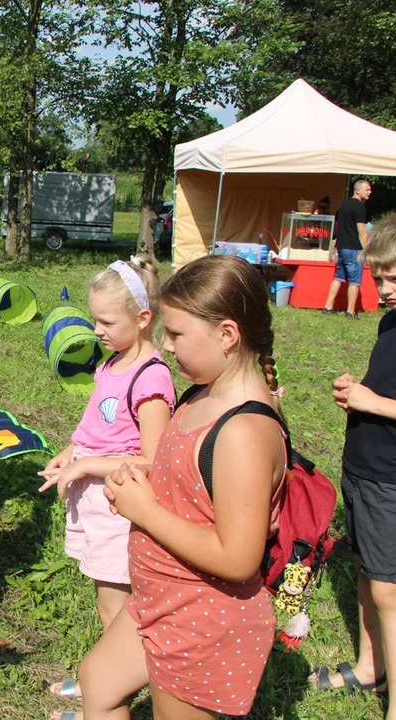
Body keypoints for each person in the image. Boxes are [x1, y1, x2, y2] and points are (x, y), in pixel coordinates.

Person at [76, 255, 288, 720]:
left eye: (175, 334)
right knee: (98, 681)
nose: (166, 347)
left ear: (227, 335)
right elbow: (186, 482)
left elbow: (238, 558)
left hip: (201, 619)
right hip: (161, 598)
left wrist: (144, 510)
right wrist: (140, 480)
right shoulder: (201, 393)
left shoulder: (243, 433)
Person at [38, 256, 174, 711]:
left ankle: (113, 689)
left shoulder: (151, 377)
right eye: (93, 318)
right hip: (96, 501)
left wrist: (87, 466)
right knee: (107, 603)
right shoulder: (112, 363)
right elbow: (95, 426)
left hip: (119, 505)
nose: (96, 329)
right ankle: (106, 679)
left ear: (142, 319)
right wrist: (71, 453)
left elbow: (154, 460)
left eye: (106, 321)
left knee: (119, 612)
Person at [317, 214, 396, 719]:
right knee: (366, 572)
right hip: (362, 469)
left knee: (390, 590)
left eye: (395, 279)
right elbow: (390, 388)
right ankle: (370, 669)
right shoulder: (392, 321)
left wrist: (372, 403)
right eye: (377, 277)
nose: (382, 289)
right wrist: (355, 392)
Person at [323, 179, 372, 319]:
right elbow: (361, 231)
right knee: (355, 282)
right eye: (367, 189)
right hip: (354, 248)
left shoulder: (344, 205)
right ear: (357, 190)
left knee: (338, 278)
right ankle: (350, 312)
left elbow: (338, 226)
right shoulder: (359, 207)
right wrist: (367, 249)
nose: (370, 192)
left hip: (342, 247)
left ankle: (327, 306)